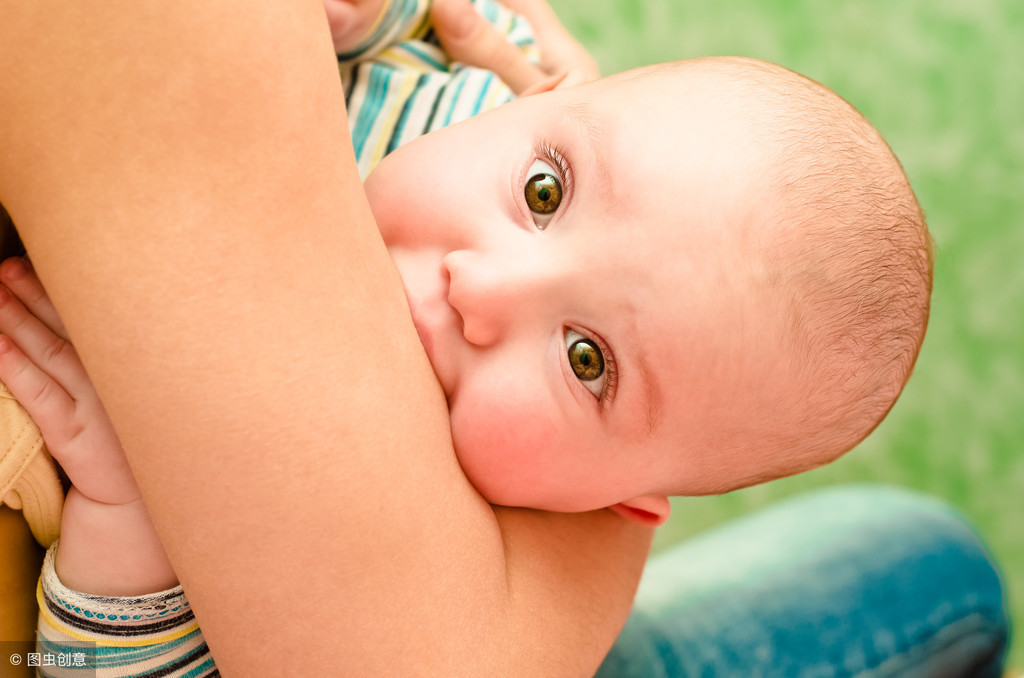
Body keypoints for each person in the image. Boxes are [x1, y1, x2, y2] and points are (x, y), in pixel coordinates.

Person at [0, 0, 1009, 676]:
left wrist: (123, 536)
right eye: (542, 191)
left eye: (586, 361)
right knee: (932, 571)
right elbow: (437, 31)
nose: (482, 285)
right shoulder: (449, 107)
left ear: (617, 501)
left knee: (933, 560)